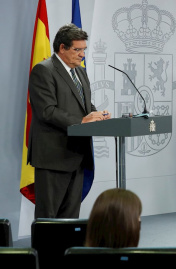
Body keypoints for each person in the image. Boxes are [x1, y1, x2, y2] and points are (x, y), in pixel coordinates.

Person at [28, 23, 111, 218]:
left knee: (70, 217)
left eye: (84, 50)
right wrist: (82, 120)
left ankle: (65, 250)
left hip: (77, 155)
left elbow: (84, 104)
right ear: (62, 48)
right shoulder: (43, 70)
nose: (82, 54)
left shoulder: (80, 71)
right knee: (48, 217)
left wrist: (97, 114)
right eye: (77, 49)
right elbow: (46, 111)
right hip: (53, 157)